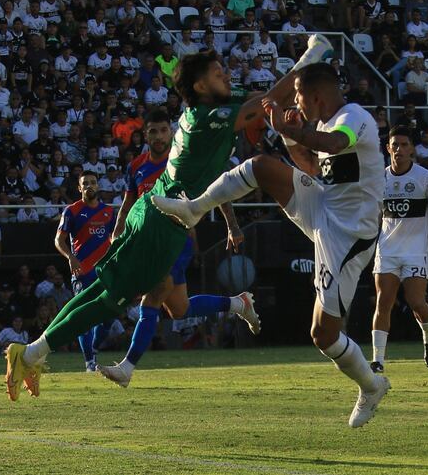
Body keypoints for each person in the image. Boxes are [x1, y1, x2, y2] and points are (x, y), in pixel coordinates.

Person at [4, 38, 332, 402]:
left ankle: (33, 353)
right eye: (218, 72)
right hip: (161, 224)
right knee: (108, 300)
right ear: (200, 86)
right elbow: (272, 97)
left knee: (117, 293)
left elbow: (269, 98)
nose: (226, 74)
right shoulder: (212, 117)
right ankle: (31, 354)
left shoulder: (209, 106)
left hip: (161, 218)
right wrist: (312, 56)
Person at [153, 60, 391, 428]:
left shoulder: (354, 117)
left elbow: (332, 143)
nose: (295, 101)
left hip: (349, 235)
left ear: (315, 95)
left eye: (297, 95)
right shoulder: (324, 123)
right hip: (325, 206)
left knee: (323, 335)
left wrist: (293, 129)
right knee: (262, 166)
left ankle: (371, 385)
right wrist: (291, 135)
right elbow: (311, 167)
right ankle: (194, 209)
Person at [97, 111, 256, 388]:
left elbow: (218, 190)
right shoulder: (136, 167)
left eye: (162, 131)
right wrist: (117, 232)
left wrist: (231, 225)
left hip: (176, 240)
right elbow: (128, 204)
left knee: (154, 295)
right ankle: (237, 303)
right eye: (153, 132)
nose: (158, 137)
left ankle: (127, 366)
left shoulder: (183, 161)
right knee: (179, 310)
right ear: (145, 135)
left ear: (171, 133)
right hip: (146, 241)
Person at [369, 126, 428, 373]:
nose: (399, 150)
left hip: (415, 251)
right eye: (395, 145)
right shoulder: (379, 179)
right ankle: (378, 361)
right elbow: (372, 217)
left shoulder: (425, 178)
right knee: (384, 302)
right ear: (388, 148)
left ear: (412, 149)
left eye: (404, 145)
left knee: (416, 302)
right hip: (387, 250)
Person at [54, 170, 116, 372]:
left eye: (93, 182)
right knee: (84, 318)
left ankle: (94, 348)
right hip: (82, 273)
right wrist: (70, 257)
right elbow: (59, 240)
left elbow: (117, 239)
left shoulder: (109, 212)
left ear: (98, 186)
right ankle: (90, 362)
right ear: (79, 188)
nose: (89, 186)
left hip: (106, 272)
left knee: (110, 316)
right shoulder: (71, 211)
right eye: (85, 183)